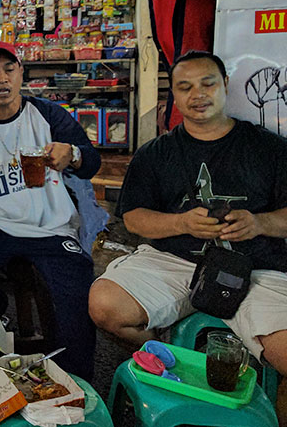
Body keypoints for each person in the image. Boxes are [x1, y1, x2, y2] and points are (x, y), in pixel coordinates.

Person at [89, 51, 287, 376]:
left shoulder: (271, 149)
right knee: (105, 305)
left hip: (256, 269)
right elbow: (134, 218)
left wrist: (259, 223)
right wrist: (180, 222)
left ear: (224, 85)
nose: (197, 95)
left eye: (207, 84)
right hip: (173, 262)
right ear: (175, 96)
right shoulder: (154, 154)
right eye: (185, 87)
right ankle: (175, 365)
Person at [0, 41, 102, 380]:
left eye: (9, 69)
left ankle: (75, 380)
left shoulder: (49, 115)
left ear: (21, 73)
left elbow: (91, 161)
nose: (2, 79)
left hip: (51, 225)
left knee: (77, 287)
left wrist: (74, 154)